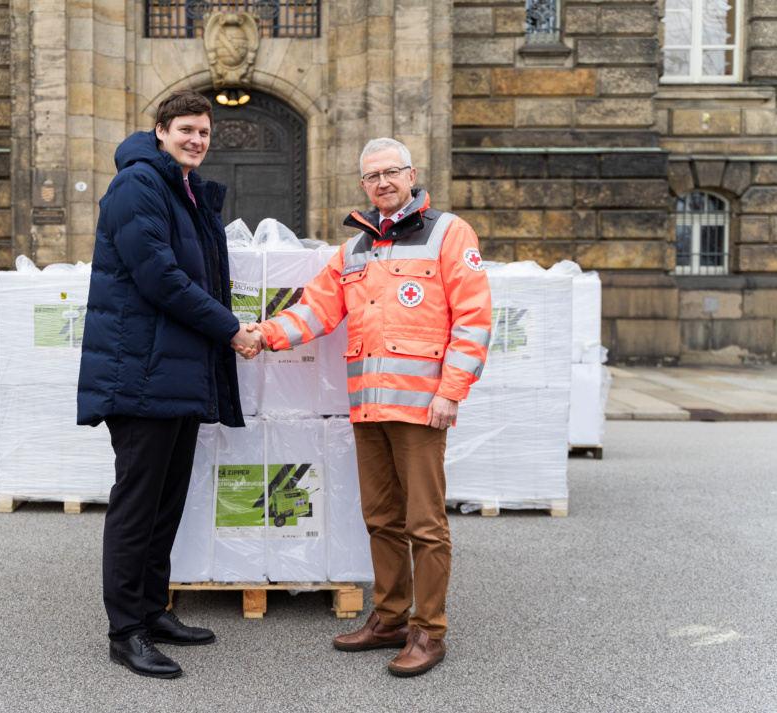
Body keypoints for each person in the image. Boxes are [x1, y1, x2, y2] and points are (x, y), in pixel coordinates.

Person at [250, 137, 492, 677]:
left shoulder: (449, 234)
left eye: (391, 173)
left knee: (425, 524)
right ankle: (390, 619)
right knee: (381, 518)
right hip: (370, 409)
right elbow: (313, 312)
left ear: (411, 175)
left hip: (423, 408)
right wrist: (260, 335)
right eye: (371, 176)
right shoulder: (354, 251)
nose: (381, 183)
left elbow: (474, 318)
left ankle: (429, 631)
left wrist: (451, 393)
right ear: (363, 185)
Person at [77, 90, 261, 680]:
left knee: (165, 504)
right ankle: (124, 631)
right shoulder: (139, 186)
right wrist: (231, 329)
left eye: (204, 133)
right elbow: (160, 277)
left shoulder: (181, 190)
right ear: (160, 131)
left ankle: (153, 610)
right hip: (140, 372)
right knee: (136, 507)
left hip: (174, 372)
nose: (196, 140)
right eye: (186, 129)